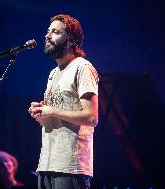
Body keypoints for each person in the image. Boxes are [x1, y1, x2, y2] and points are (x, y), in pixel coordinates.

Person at [28, 14, 99, 189]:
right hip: (46, 163)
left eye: (55, 32)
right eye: (48, 31)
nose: (47, 36)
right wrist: (41, 114)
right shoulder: (53, 73)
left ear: (70, 40)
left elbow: (91, 117)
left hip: (70, 166)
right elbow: (57, 117)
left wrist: (51, 110)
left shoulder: (83, 67)